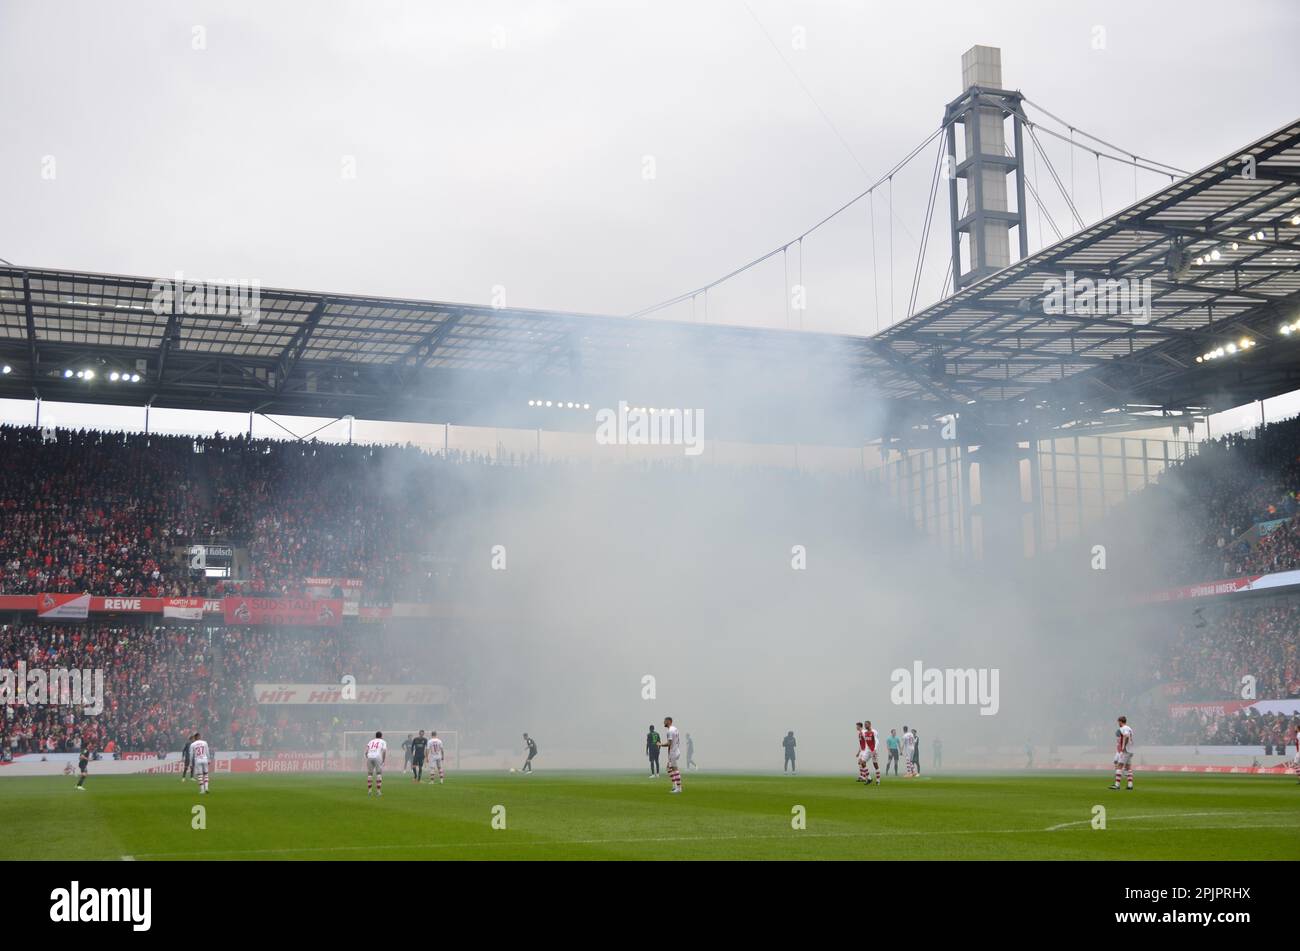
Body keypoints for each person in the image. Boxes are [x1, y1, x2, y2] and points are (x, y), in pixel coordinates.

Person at [1110, 716, 1134, 790]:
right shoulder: (1129, 728)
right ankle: (1130, 785)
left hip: (1126, 750)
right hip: (1131, 749)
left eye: (1118, 722)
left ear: (1120, 721)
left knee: (1119, 765)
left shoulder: (1124, 728)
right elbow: (1131, 738)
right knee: (1128, 767)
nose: (1118, 723)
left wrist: (1123, 747)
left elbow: (1126, 736)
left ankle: (1117, 785)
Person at [659, 717, 682, 793]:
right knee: (668, 768)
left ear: (669, 721)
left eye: (665, 721)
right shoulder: (675, 729)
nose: (664, 723)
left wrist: (660, 744)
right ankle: (675, 785)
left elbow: (669, 743)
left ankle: (678, 788)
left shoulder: (670, 731)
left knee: (675, 769)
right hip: (676, 750)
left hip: (673, 752)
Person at [365, 730, 387, 797]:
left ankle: (369, 791)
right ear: (381, 736)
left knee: (370, 774)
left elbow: (366, 751)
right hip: (377, 757)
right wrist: (383, 760)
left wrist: (367, 757)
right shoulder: (383, 741)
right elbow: (384, 751)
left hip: (369, 756)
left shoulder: (371, 741)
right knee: (379, 773)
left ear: (375, 736)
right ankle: (378, 791)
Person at [863, 720, 881, 785]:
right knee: (862, 762)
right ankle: (869, 778)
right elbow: (866, 742)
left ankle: (878, 780)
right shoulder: (865, 732)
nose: (865, 726)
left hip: (873, 750)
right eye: (865, 724)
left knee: (875, 765)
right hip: (868, 750)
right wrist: (864, 751)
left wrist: (875, 749)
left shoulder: (874, 731)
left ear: (870, 724)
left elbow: (877, 741)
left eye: (866, 724)